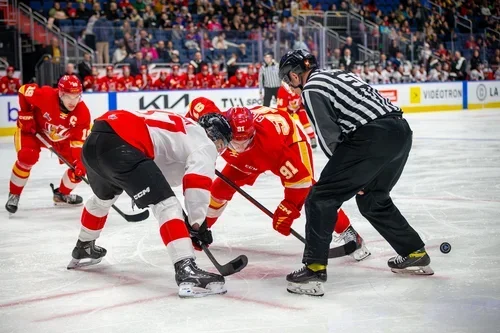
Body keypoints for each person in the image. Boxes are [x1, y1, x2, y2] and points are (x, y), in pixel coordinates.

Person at [278, 50, 433, 296]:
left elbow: (330, 138)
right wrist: (358, 174)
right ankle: (414, 253)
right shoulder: (337, 74)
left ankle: (314, 269)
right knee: (373, 199)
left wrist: (349, 172)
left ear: (296, 76)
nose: (290, 85)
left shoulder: (311, 89)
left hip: (371, 137)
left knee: (321, 197)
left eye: (288, 79)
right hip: (400, 132)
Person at [67, 110, 233, 298]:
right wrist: (197, 224)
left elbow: (157, 171)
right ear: (215, 137)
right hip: (123, 144)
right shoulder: (204, 143)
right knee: (167, 205)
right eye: (221, 145)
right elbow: (196, 186)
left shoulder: (183, 129)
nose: (219, 150)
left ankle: (84, 246)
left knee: (103, 199)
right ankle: (187, 270)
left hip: (96, 139)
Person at [186, 101, 370, 261]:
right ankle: (200, 230)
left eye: (246, 142)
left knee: (313, 193)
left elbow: (301, 181)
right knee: (219, 190)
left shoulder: (271, 146)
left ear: (254, 133)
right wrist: (188, 137)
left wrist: (289, 207)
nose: (241, 148)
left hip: (290, 141)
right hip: (252, 156)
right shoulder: (216, 123)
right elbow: (197, 105)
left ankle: (349, 233)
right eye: (235, 142)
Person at [6, 75, 89, 213]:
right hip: (34, 131)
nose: (72, 101)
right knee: (27, 157)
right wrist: (26, 115)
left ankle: (61, 194)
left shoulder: (82, 113)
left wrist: (79, 162)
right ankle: (14, 194)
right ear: (61, 93)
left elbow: (78, 143)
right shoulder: (45, 95)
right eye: (68, 96)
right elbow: (22, 90)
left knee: (79, 169)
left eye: (76, 96)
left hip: (59, 140)